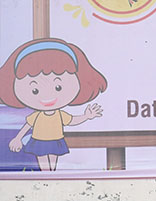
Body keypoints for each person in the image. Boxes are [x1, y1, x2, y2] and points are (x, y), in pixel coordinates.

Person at [0, 39, 107, 171]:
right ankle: (46, 177)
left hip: (56, 141)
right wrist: (17, 139)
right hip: (39, 141)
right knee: (44, 166)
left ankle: (51, 177)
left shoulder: (60, 114)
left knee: (53, 166)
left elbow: (72, 121)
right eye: (35, 90)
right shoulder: (36, 115)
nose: (47, 97)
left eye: (58, 87)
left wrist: (86, 116)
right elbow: (27, 125)